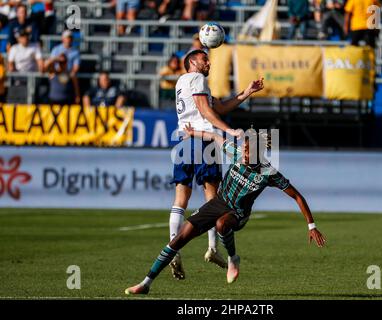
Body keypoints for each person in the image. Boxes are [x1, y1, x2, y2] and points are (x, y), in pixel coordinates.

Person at [124, 126, 326, 295]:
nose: (245, 154)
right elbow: (214, 136)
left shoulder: (269, 172)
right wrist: (193, 133)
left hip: (238, 213)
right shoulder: (237, 153)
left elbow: (297, 196)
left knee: (222, 224)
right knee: (178, 240)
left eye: (249, 151)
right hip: (218, 203)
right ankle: (146, 283)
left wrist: (311, 226)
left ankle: (232, 259)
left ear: (260, 152)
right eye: (244, 149)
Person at [166, 49, 264, 280]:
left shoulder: (182, 82)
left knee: (180, 199)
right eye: (204, 59)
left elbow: (219, 106)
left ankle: (173, 249)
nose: (208, 63)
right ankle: (212, 249)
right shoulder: (198, 79)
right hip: (203, 142)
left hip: (183, 142)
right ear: (192, 62)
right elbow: (206, 110)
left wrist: (247, 92)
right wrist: (228, 130)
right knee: (215, 200)